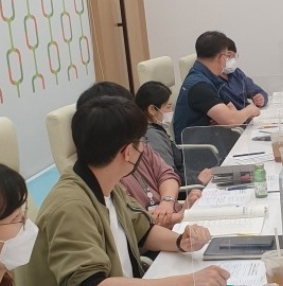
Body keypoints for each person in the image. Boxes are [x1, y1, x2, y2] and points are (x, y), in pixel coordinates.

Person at [18, 95, 230, 286]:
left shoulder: (105, 183)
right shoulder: (70, 207)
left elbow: (142, 231)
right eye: (141, 142)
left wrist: (180, 242)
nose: (144, 148)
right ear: (127, 152)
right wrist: (187, 283)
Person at [77, 82, 196, 229]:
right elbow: (137, 226)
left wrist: (168, 202)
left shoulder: (139, 146)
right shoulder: (107, 177)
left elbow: (167, 174)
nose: (141, 143)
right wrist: (177, 216)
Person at [173, 31, 260, 143]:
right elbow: (231, 120)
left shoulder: (211, 78)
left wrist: (226, 117)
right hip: (201, 149)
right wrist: (250, 110)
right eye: (227, 56)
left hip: (214, 141)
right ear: (221, 57)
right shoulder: (199, 86)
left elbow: (231, 110)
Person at [135, 80, 214, 188]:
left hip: (186, 178)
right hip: (183, 188)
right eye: (168, 107)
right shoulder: (152, 136)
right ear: (152, 109)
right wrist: (197, 180)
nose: (171, 111)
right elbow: (167, 176)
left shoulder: (153, 129)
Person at [221, 37, 268, 109]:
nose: (232, 60)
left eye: (234, 56)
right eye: (228, 56)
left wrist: (260, 97)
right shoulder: (211, 80)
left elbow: (255, 89)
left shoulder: (237, 73)